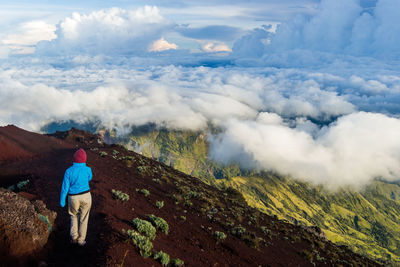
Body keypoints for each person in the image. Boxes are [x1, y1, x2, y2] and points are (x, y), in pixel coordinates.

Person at [60, 148, 92, 246]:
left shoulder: (68, 171)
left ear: (75, 159)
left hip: (73, 197)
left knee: (73, 215)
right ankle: (81, 241)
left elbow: (65, 188)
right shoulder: (88, 169)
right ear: (84, 159)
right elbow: (90, 178)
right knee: (84, 218)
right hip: (86, 196)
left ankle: (74, 237)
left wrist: (62, 201)